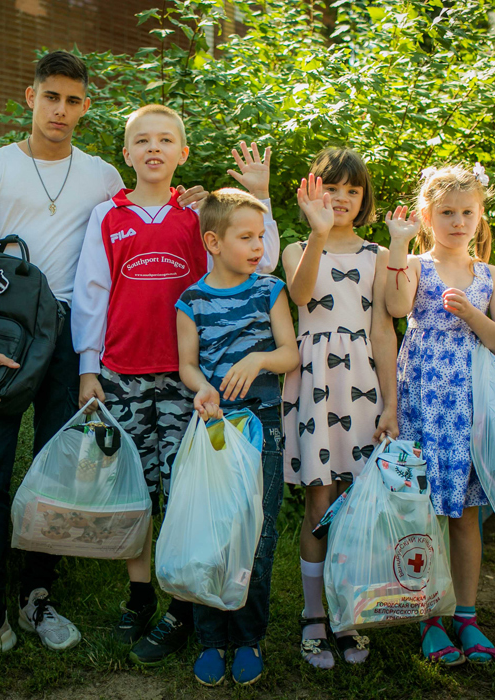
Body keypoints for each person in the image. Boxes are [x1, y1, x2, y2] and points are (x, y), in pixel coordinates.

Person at [0, 53, 207, 682]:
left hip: (66, 333)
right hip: (1, 332)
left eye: (73, 101)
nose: (61, 110)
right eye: (51, 97)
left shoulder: (104, 175)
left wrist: (192, 202)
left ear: (85, 106)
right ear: (30, 96)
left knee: (59, 476)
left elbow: (141, 216)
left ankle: (38, 598)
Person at [71, 105, 279, 665]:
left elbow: (260, 258)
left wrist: (258, 199)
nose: (154, 149)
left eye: (166, 140)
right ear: (128, 154)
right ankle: (140, 596)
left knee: (189, 492)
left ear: (183, 153)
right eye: (143, 141)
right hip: (122, 372)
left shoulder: (197, 216)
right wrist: (89, 366)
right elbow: (92, 293)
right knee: (137, 490)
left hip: (192, 380)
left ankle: (181, 607)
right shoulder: (107, 217)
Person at [383, 164, 495, 667]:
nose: (458, 221)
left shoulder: (491, 276)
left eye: (467, 212)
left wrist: (473, 315)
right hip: (422, 400)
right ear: (426, 216)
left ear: (480, 216)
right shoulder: (417, 265)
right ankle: (429, 616)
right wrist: (397, 246)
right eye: (446, 212)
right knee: (425, 512)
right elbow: (397, 309)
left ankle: (466, 615)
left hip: (470, 406)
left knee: (464, 515)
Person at [175, 187, 299, 686]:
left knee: (258, 534)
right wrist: (203, 387)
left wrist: (259, 359)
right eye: (245, 237)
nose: (256, 247)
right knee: (212, 533)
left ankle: (247, 637)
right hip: (213, 430)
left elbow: (290, 354)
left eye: (260, 237)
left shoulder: (268, 290)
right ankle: (210, 639)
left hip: (262, 428)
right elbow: (186, 365)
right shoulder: (191, 300)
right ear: (213, 241)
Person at [280, 148, 399, 669]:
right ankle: (313, 617)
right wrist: (319, 233)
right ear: (315, 191)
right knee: (319, 499)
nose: (343, 198)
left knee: (355, 505)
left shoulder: (376, 255)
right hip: (314, 382)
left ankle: (349, 614)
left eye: (353, 190)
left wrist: (391, 401)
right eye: (333, 188)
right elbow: (302, 295)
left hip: (362, 384)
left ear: (364, 197)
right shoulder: (296, 247)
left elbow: (383, 328)